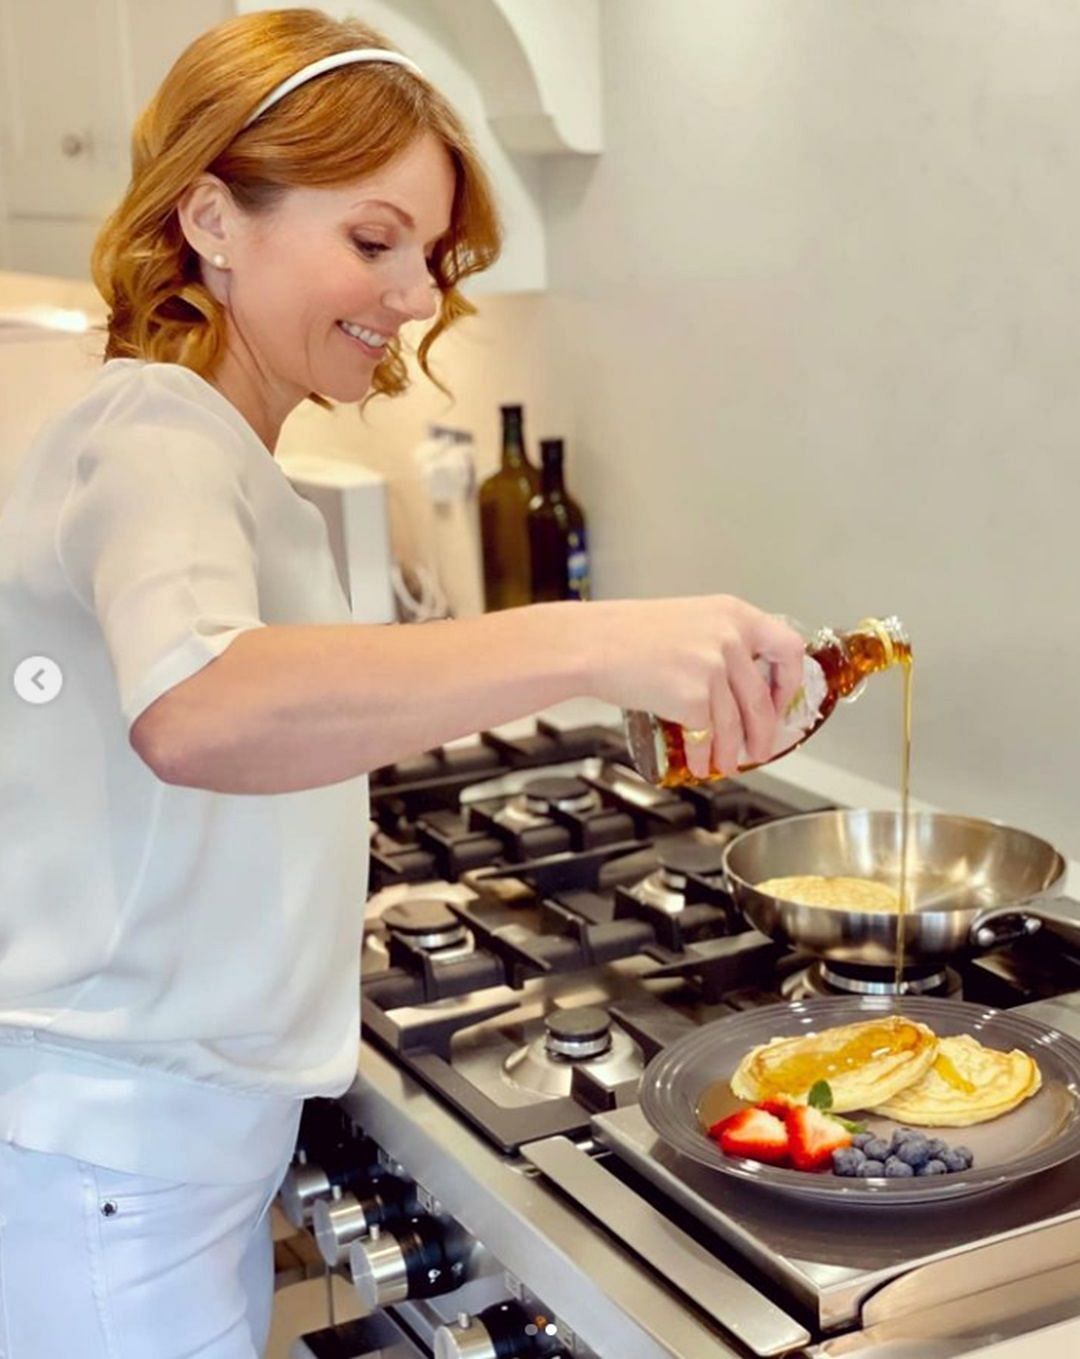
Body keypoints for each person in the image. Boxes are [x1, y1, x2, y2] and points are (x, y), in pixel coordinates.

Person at [0, 9, 804, 1356]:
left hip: (147, 1151)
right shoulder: (155, 432)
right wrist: (587, 635)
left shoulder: (190, 433)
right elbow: (202, 708)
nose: (418, 295)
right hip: (115, 1175)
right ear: (210, 217)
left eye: (426, 256)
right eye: (372, 241)